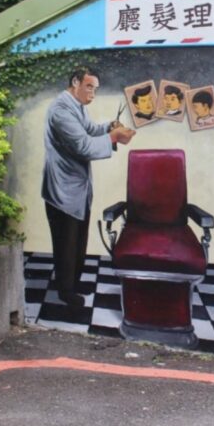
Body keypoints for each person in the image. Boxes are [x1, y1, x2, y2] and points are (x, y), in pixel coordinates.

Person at [44, 67, 137, 310]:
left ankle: (71, 284)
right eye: (89, 87)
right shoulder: (60, 111)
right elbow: (83, 146)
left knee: (77, 240)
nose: (92, 93)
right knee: (66, 243)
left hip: (77, 189)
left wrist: (108, 127)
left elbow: (90, 130)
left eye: (95, 89)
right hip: (62, 191)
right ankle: (66, 292)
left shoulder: (76, 107)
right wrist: (115, 137)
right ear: (75, 82)